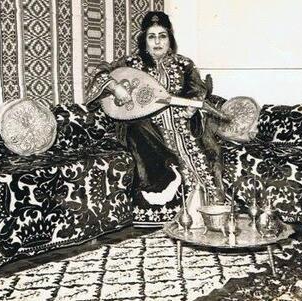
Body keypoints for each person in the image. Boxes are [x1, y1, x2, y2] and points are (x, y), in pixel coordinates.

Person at [87, 11, 225, 227]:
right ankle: (159, 208)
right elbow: (99, 73)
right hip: (144, 124)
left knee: (201, 152)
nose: (157, 41)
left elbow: (197, 92)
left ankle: (201, 207)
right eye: (152, 36)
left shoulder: (184, 64)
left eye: (162, 36)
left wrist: (191, 108)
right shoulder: (131, 63)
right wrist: (115, 88)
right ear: (144, 40)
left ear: (170, 39)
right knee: (139, 131)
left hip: (180, 121)